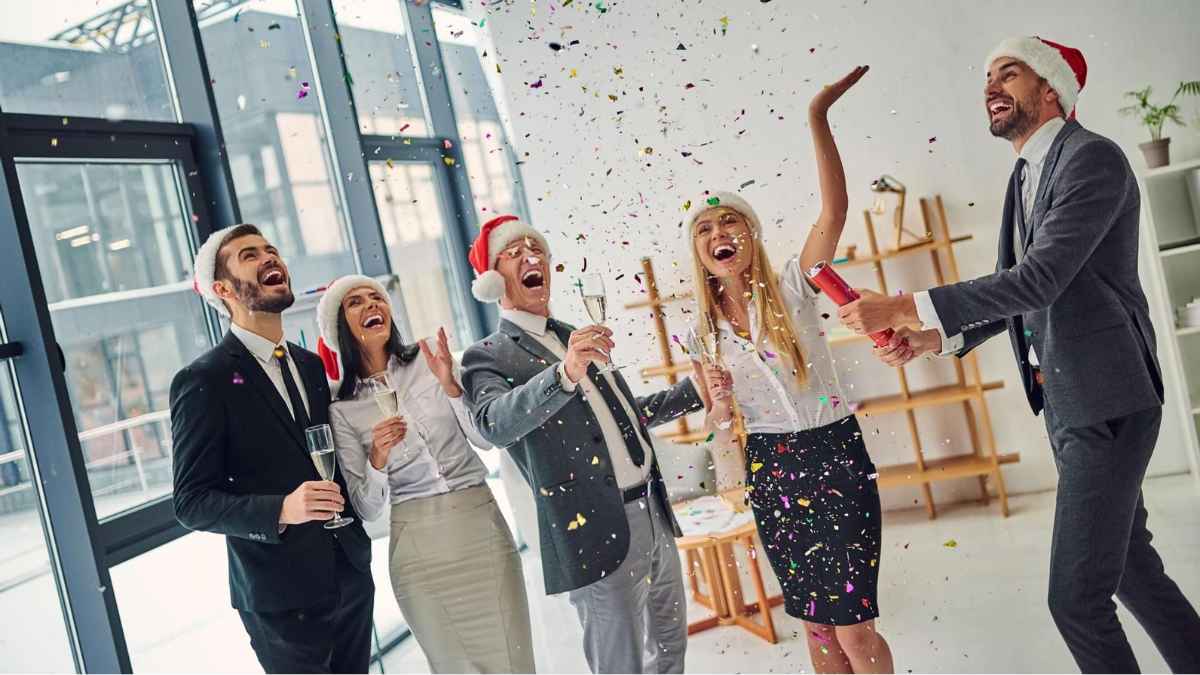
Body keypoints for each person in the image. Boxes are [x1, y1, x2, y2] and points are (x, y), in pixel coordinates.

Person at [839, 37, 1200, 673]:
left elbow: (1040, 280)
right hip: (1068, 402)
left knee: (1076, 602)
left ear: (1050, 89)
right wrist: (936, 338)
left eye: (1009, 73)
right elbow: (1020, 291)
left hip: (1107, 399)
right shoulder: (1026, 175)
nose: (991, 86)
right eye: (987, 76)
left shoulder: (1092, 158)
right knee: (1131, 569)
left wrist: (902, 306)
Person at [684, 67, 894, 675]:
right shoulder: (700, 335)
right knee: (818, 627)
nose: (719, 233)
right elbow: (719, 432)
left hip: (835, 455)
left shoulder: (795, 287)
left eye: (730, 222)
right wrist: (718, 410)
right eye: (705, 228)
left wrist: (817, 119)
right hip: (771, 470)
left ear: (750, 233)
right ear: (698, 251)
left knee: (855, 631)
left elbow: (835, 209)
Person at [459, 215, 704, 674]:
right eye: (515, 252)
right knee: (620, 664)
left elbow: (626, 415)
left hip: (652, 510)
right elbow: (493, 424)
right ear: (493, 278)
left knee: (671, 649)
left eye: (537, 248)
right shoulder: (487, 355)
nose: (531, 256)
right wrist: (564, 373)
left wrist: (696, 392)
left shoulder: (571, 334)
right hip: (593, 527)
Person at [171, 225, 374, 673]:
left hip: (349, 573)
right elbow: (191, 502)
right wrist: (282, 508)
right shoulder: (204, 380)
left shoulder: (310, 365)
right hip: (280, 596)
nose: (269, 258)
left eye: (271, 249)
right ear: (223, 290)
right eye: (249, 255)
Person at [315, 274, 534, 673]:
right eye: (355, 302)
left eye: (376, 297)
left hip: (480, 526)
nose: (371, 304)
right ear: (338, 326)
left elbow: (484, 441)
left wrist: (451, 386)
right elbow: (367, 507)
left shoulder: (431, 358)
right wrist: (377, 457)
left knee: (513, 661)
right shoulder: (342, 409)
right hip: (418, 549)